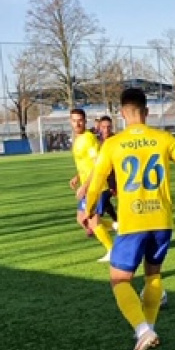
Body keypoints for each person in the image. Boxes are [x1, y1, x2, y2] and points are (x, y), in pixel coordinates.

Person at [82, 87, 175, 350]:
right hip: (162, 220)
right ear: (146, 112)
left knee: (120, 280)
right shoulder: (164, 138)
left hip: (133, 221)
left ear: (122, 113)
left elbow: (97, 183)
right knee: (153, 277)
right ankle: (145, 331)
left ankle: (143, 330)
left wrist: (88, 212)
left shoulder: (112, 144)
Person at [69, 107, 114, 261]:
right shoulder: (77, 139)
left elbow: (97, 165)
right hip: (88, 185)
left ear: (85, 121)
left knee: (92, 221)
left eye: (80, 120)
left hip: (96, 187)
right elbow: (85, 164)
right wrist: (77, 177)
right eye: (74, 121)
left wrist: (85, 186)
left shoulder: (88, 139)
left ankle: (112, 250)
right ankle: (117, 226)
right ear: (71, 122)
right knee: (82, 219)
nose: (77, 124)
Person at [95, 114, 119, 229]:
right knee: (104, 198)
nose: (106, 130)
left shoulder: (116, 141)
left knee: (104, 197)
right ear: (99, 127)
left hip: (114, 176)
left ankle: (95, 222)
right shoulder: (96, 142)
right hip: (100, 175)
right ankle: (116, 220)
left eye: (108, 127)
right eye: (103, 127)